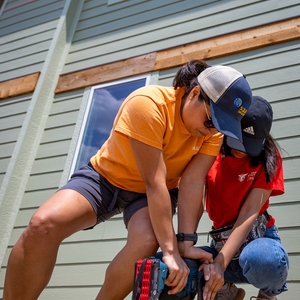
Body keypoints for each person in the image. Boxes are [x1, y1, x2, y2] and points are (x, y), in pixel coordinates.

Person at [1, 60, 252, 300]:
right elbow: (153, 180)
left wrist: (185, 243)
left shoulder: (211, 134)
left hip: (157, 190)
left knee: (145, 240)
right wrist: (170, 252)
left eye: (220, 127)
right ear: (195, 93)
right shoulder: (148, 104)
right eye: (210, 121)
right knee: (43, 224)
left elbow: (192, 183)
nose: (211, 130)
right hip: (107, 178)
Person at [177, 96, 289, 300]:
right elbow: (195, 200)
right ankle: (228, 292)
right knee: (171, 266)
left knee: (264, 259)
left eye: (249, 145)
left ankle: (267, 295)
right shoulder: (210, 150)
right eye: (237, 141)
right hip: (221, 244)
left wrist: (220, 263)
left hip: (259, 241)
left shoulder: (270, 158)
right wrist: (186, 244)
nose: (240, 150)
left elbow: (249, 211)